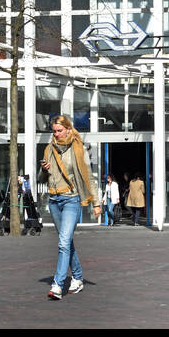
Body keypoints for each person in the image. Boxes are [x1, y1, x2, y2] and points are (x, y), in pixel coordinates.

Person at [40, 115, 102, 299]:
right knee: (66, 242)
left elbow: (89, 177)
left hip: (71, 200)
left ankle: (58, 285)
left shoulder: (78, 149)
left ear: (68, 129)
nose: (57, 134)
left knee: (63, 242)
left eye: (59, 131)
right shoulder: (48, 149)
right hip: (54, 200)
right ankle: (78, 277)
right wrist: (43, 170)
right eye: (54, 131)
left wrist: (96, 203)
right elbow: (42, 179)